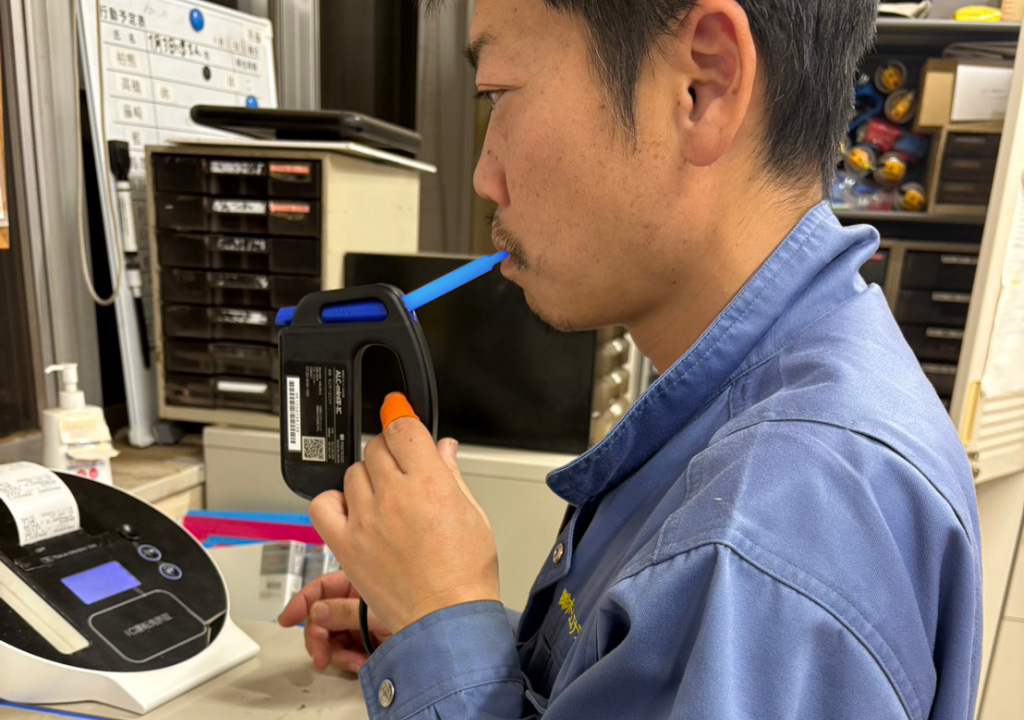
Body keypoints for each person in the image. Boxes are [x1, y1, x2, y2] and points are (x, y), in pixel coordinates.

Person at [278, 0, 983, 717]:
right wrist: (450, 640)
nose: (485, 178)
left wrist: (441, 623)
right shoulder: (781, 404)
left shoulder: (774, 538)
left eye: (498, 93)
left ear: (703, 86)